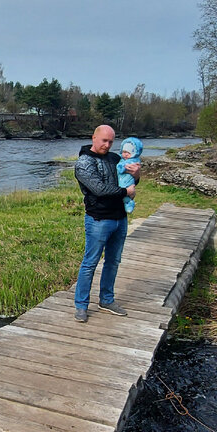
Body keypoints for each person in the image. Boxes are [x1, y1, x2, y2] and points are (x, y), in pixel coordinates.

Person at [73, 124, 139, 323]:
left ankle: (107, 300)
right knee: (90, 263)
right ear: (94, 138)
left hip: (120, 219)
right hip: (98, 220)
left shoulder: (115, 158)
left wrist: (136, 175)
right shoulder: (84, 162)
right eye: (104, 140)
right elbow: (99, 189)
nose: (108, 145)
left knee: (113, 261)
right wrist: (126, 193)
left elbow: (128, 180)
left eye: (111, 141)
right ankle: (81, 305)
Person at [117, 137, 144, 213]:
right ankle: (128, 204)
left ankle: (129, 204)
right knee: (125, 195)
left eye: (128, 153)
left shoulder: (131, 161)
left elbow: (122, 168)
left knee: (125, 195)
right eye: (124, 152)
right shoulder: (123, 159)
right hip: (124, 182)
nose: (125, 154)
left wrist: (119, 167)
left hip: (126, 182)